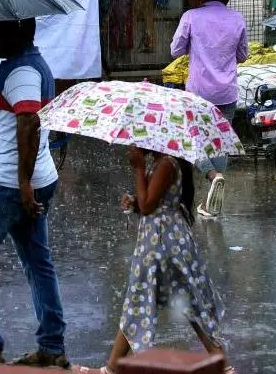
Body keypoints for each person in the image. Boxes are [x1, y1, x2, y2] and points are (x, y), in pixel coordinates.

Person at [0, 19, 68, 368]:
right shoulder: (26, 65)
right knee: (37, 263)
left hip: (4, 186)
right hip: (24, 181)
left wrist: (23, 183)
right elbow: (16, 118)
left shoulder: (22, 71)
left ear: (16, 31)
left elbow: (29, 121)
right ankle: (52, 347)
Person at [92, 147, 230, 374]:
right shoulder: (162, 163)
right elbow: (152, 202)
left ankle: (112, 367)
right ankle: (113, 366)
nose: (133, 146)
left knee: (140, 299)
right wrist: (134, 203)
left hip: (161, 244)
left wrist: (138, 170)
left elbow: (149, 206)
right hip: (166, 241)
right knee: (183, 301)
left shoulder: (166, 164)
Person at [170, 0, 250, 218]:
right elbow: (243, 55)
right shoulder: (237, 19)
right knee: (220, 143)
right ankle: (210, 200)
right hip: (227, 92)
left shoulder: (191, 17)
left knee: (194, 139)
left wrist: (194, 44)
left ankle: (212, 175)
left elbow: (175, 50)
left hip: (198, 93)